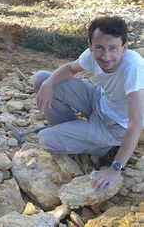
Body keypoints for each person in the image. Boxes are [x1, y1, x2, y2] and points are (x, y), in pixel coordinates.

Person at [33, 16, 143, 191]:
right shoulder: (93, 54)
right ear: (91, 46)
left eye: (113, 48)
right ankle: (77, 133)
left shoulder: (134, 69)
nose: (106, 56)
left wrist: (116, 169)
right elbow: (70, 68)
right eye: (99, 48)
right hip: (98, 100)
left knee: (47, 139)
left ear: (124, 48)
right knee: (41, 78)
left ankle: (105, 148)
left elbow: (136, 123)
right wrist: (48, 84)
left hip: (114, 126)